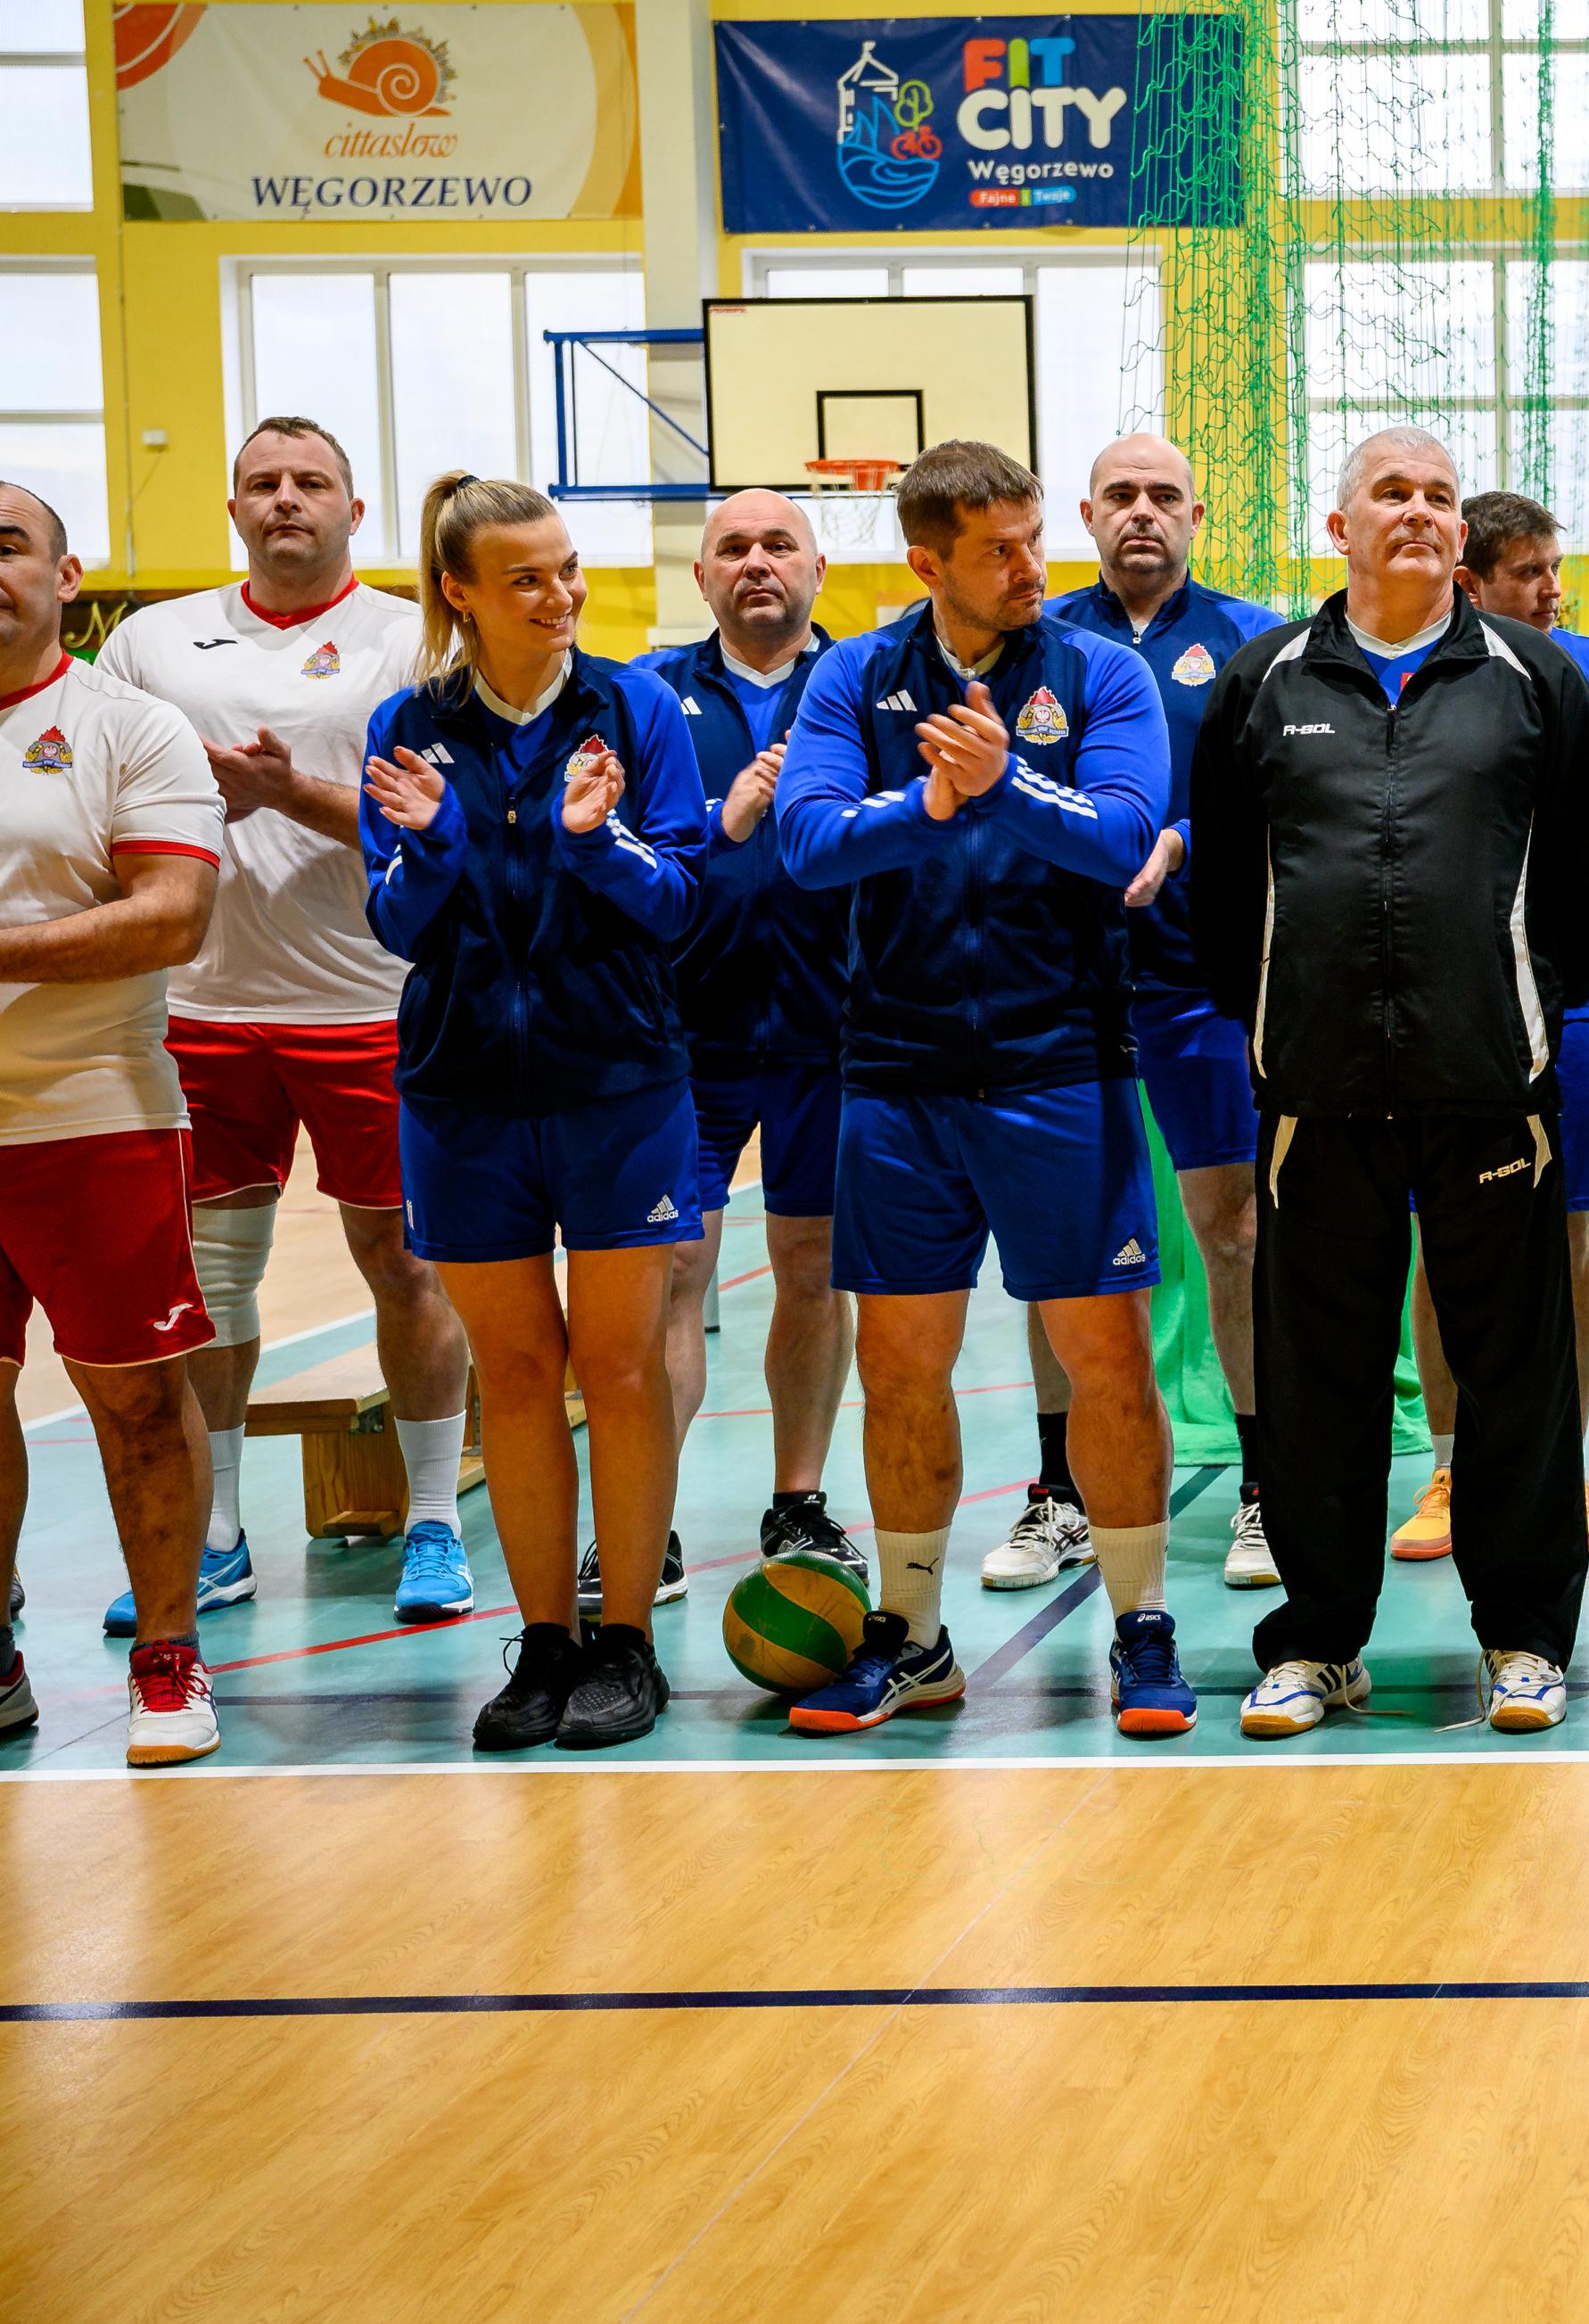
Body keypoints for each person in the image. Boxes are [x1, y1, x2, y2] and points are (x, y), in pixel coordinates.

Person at [1193, 429, 1589, 1735]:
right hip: (1315, 1092)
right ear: (1340, 527)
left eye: (1440, 496)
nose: (1422, 513)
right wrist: (1284, 1017)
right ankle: (1320, 1643)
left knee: (1517, 1377)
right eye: (1394, 493)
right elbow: (1225, 891)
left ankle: (1525, 1638)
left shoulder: (1537, 678)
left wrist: (1514, 1011)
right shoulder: (1264, 681)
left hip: (1490, 1085)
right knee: (1317, 1380)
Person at [773, 440, 1193, 1737]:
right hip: (897, 1073)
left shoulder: (1101, 672)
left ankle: (1141, 1626)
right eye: (998, 549)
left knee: (1106, 1356)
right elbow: (807, 843)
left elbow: (1124, 835)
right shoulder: (853, 676)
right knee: (901, 1365)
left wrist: (1004, 785)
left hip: (1060, 1063)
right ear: (927, 562)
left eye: (1031, 538)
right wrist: (933, 803)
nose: (1030, 566)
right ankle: (912, 1634)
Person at [95, 418, 474, 1634]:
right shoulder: (152, 643)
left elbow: (448, 830)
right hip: (203, 1008)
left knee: (404, 1265)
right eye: (263, 482)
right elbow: (104, 800)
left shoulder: (414, 639)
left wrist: (283, 792)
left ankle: (432, 1519)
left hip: (371, 1002)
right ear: (233, 510)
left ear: (355, 512)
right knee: (213, 1279)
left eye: (312, 482)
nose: (286, 499)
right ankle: (215, 1536)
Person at [359, 474, 707, 1750]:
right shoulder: (408, 723)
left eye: (567, 569)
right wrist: (436, 846)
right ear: (459, 593)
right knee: (512, 1374)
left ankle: (628, 1642)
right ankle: (546, 1642)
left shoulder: (637, 707)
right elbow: (396, 922)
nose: (560, 595)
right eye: (526, 578)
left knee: (619, 1368)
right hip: (462, 1097)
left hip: (619, 1085)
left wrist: (597, 844)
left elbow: (682, 903)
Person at [1020, 434, 1288, 1594]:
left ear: (1196, 514)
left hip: (1201, 981)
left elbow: (1285, 794)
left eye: (1163, 495)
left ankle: (1266, 1487)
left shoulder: (1251, 642)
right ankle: (1060, 1494)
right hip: (1059, 980)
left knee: (1232, 1228)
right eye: (1121, 495)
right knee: (1057, 1240)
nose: (1142, 511)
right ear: (1086, 515)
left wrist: (1182, 839)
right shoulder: (1036, 641)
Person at [0, 478, 229, 1765]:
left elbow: (171, 917)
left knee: (137, 1401)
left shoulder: (129, 726)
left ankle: (169, 1656)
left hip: (90, 1112)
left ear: (66, 575)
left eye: (8, 544)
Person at [1395, 486, 1589, 1568]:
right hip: (1441, 1004)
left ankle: (1563, 1468)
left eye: (1554, 568)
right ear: (1472, 583)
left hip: (1573, 1000)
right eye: (1528, 572)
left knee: (1568, 1236)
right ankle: (1453, 1468)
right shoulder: (1416, 673)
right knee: (1438, 1241)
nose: (1552, 590)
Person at [646, 490, 860, 1584]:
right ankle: (643, 1517)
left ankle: (800, 1501)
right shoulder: (646, 698)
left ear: (819, 569)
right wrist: (723, 824)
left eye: (780, 545)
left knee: (811, 1264)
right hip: (687, 1034)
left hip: (834, 1030)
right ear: (702, 578)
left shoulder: (866, 687)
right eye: (733, 548)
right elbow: (619, 855)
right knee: (672, 1267)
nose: (757, 563)